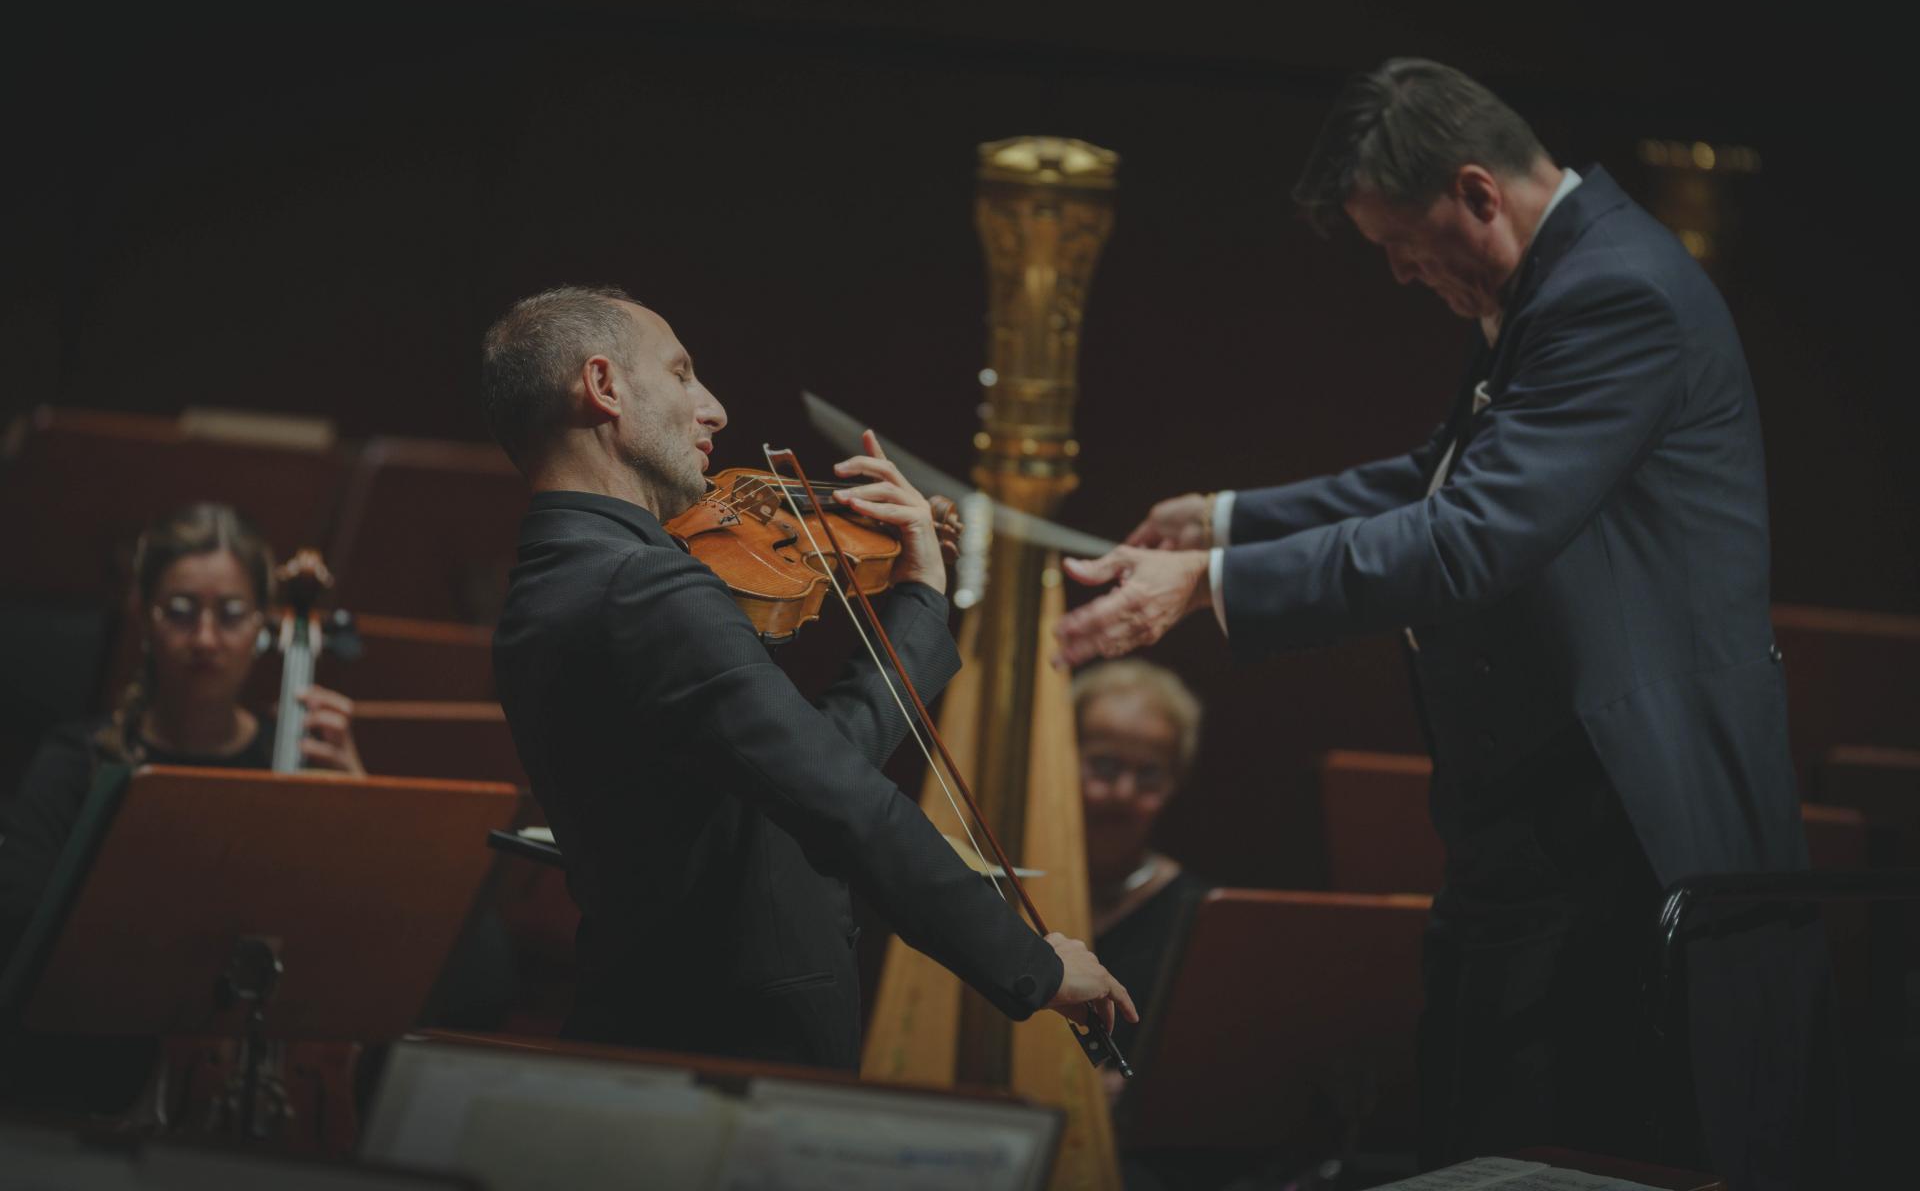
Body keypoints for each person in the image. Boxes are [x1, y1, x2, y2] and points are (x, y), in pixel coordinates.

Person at [1051, 60, 1822, 1180]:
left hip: (1623, 823)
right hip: (1536, 811)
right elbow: (1443, 474)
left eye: (1400, 244)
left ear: (1475, 192)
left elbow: (1472, 536)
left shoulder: (1617, 291)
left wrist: (1216, 579)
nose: (1404, 274)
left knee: (1563, 1147)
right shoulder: (1559, 274)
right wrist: (1223, 519)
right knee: (1484, 1124)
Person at [479, 284, 1133, 1071]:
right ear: (604, 386)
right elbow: (843, 804)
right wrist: (1036, 964)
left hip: (664, 1029)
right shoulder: (644, 589)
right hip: (728, 1055)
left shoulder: (552, 586)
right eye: (682, 374)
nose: (714, 409)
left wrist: (920, 601)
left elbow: (806, 768)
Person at [0, 501, 362, 1109]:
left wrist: (358, 814)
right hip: (88, 1070)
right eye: (181, 612)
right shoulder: (76, 762)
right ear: (144, 617)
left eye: (232, 614)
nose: (205, 639)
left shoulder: (299, 761)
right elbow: (20, 918)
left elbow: (356, 932)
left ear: (263, 627)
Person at [1074, 659, 1209, 1073]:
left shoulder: (1201, 916)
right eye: (1104, 766)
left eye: (1149, 774)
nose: (1123, 793)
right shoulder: (1004, 894)